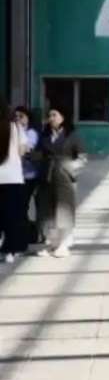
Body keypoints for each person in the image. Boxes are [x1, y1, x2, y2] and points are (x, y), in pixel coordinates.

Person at [35, 108, 86, 258]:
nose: (51, 118)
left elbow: (82, 158)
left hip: (64, 178)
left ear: (63, 117)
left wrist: (69, 168)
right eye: (49, 115)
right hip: (47, 176)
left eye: (54, 115)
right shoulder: (44, 135)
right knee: (47, 210)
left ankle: (64, 244)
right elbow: (40, 154)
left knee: (64, 209)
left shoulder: (72, 135)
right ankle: (52, 244)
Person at [0, 97, 28, 263]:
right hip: (13, 178)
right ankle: (10, 251)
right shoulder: (16, 128)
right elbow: (22, 151)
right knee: (12, 215)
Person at [13, 106, 40, 244]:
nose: (18, 119)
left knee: (22, 206)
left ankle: (29, 233)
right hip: (16, 176)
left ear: (28, 118)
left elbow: (25, 149)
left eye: (21, 116)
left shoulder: (31, 133)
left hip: (29, 175)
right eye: (16, 116)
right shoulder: (14, 132)